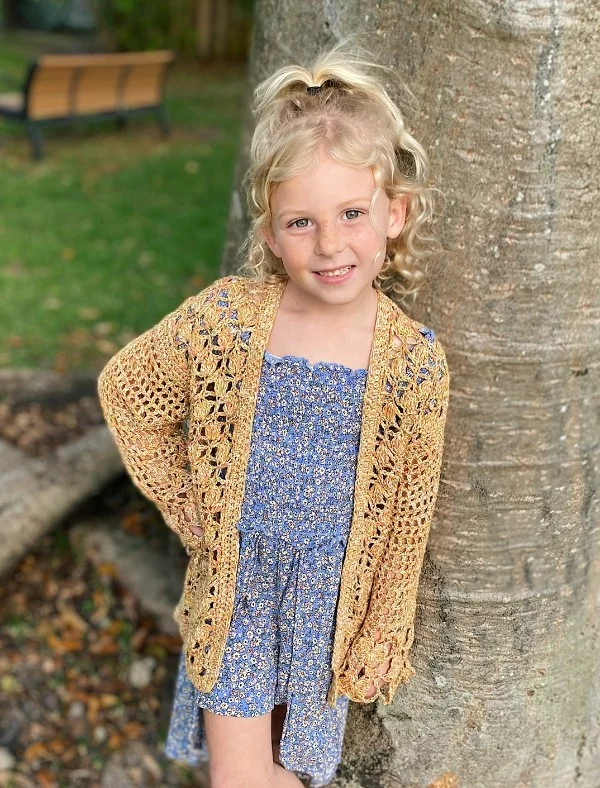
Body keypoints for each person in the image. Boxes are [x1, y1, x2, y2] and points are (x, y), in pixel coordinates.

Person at [97, 35, 450, 788]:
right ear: (269, 233)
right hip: (240, 590)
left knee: (293, 767)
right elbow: (129, 389)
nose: (330, 245)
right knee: (239, 779)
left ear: (395, 213)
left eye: (352, 213)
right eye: (301, 223)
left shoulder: (413, 363)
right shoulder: (228, 320)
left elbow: (408, 517)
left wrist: (383, 627)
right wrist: (195, 511)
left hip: (330, 603)